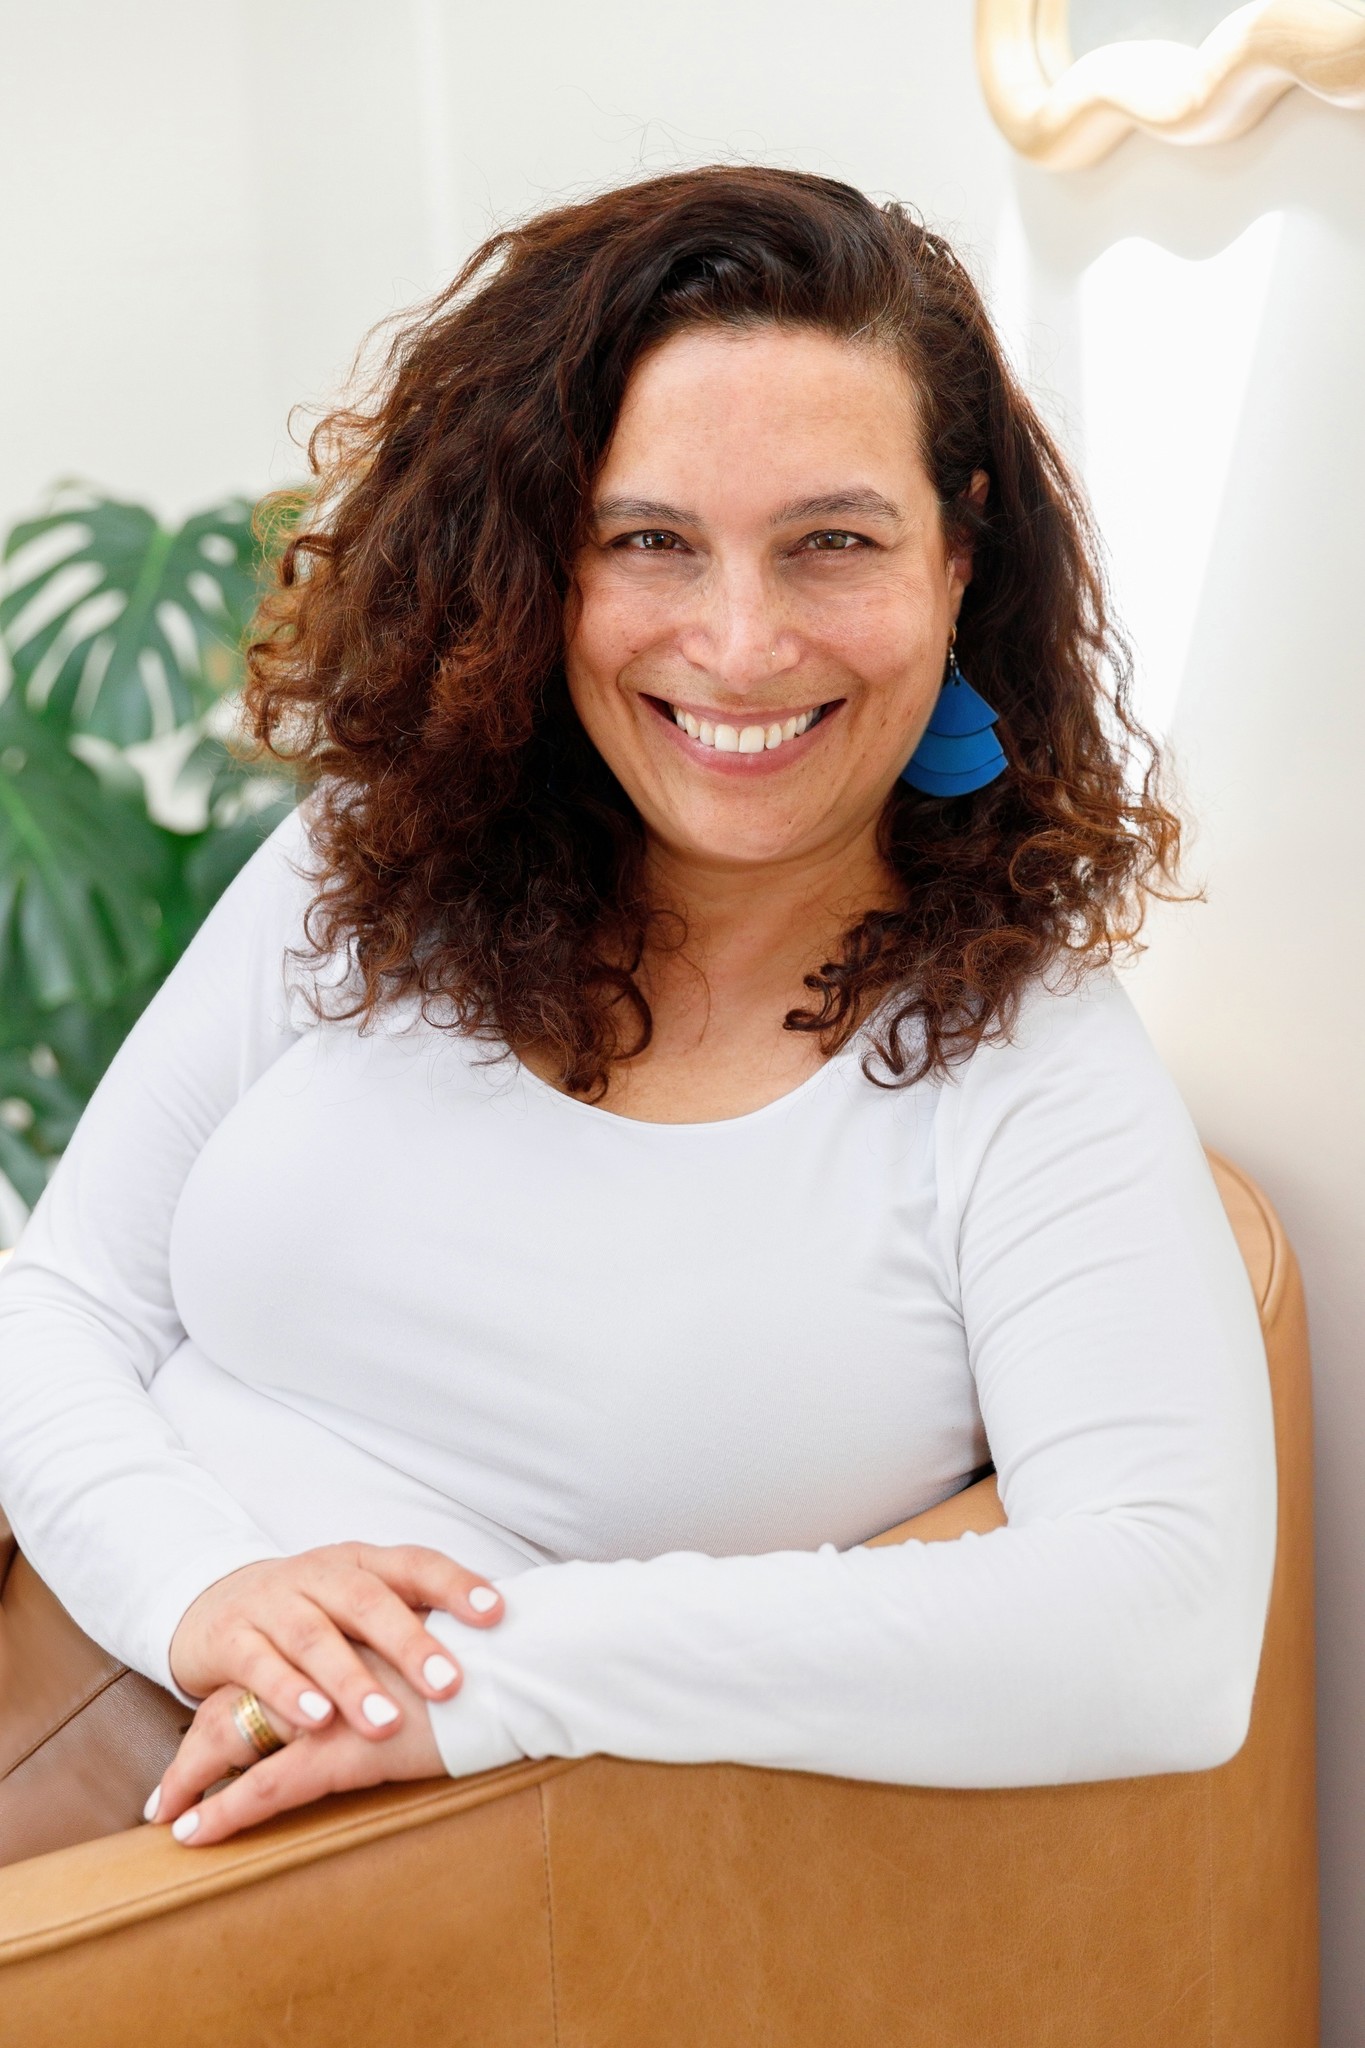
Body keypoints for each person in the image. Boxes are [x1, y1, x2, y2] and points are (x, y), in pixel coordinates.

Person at [0, 166, 1275, 1849]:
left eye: (831, 542)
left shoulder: (1019, 1066)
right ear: (539, 560)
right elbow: (65, 1296)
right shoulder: (368, 863)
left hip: (279, 1863)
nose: (739, 647)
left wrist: (482, 1668)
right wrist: (200, 1582)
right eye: (649, 542)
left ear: (958, 553)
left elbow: (1162, 1629)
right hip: (69, 1624)